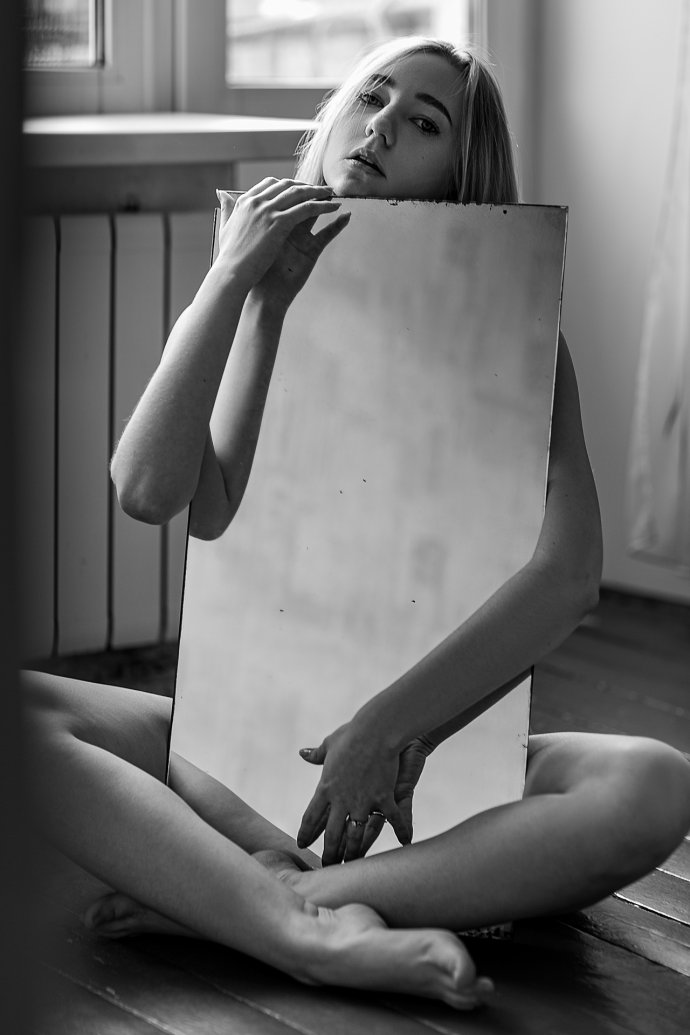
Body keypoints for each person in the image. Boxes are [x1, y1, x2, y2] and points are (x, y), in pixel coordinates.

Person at [25, 37, 690, 1011]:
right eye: (372, 97)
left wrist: (387, 730)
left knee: (655, 783)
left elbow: (569, 574)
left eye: (423, 122)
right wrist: (232, 284)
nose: (380, 128)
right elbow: (152, 491)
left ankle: (252, 901)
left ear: (462, 173)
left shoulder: (524, 333)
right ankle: (298, 929)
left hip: (435, 753)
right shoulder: (255, 292)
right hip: (232, 751)